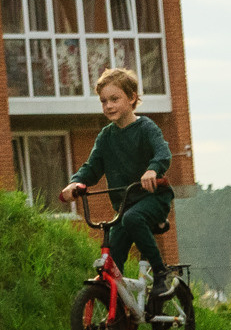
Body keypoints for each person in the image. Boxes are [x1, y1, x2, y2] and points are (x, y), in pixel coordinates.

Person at [59, 66, 173, 289]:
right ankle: (115, 303)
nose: (108, 106)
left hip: (154, 199)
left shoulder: (146, 127)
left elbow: (163, 152)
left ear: (131, 98)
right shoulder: (106, 137)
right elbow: (92, 167)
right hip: (125, 206)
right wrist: (75, 183)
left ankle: (161, 271)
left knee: (132, 219)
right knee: (112, 255)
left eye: (114, 99)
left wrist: (153, 169)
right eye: (104, 101)